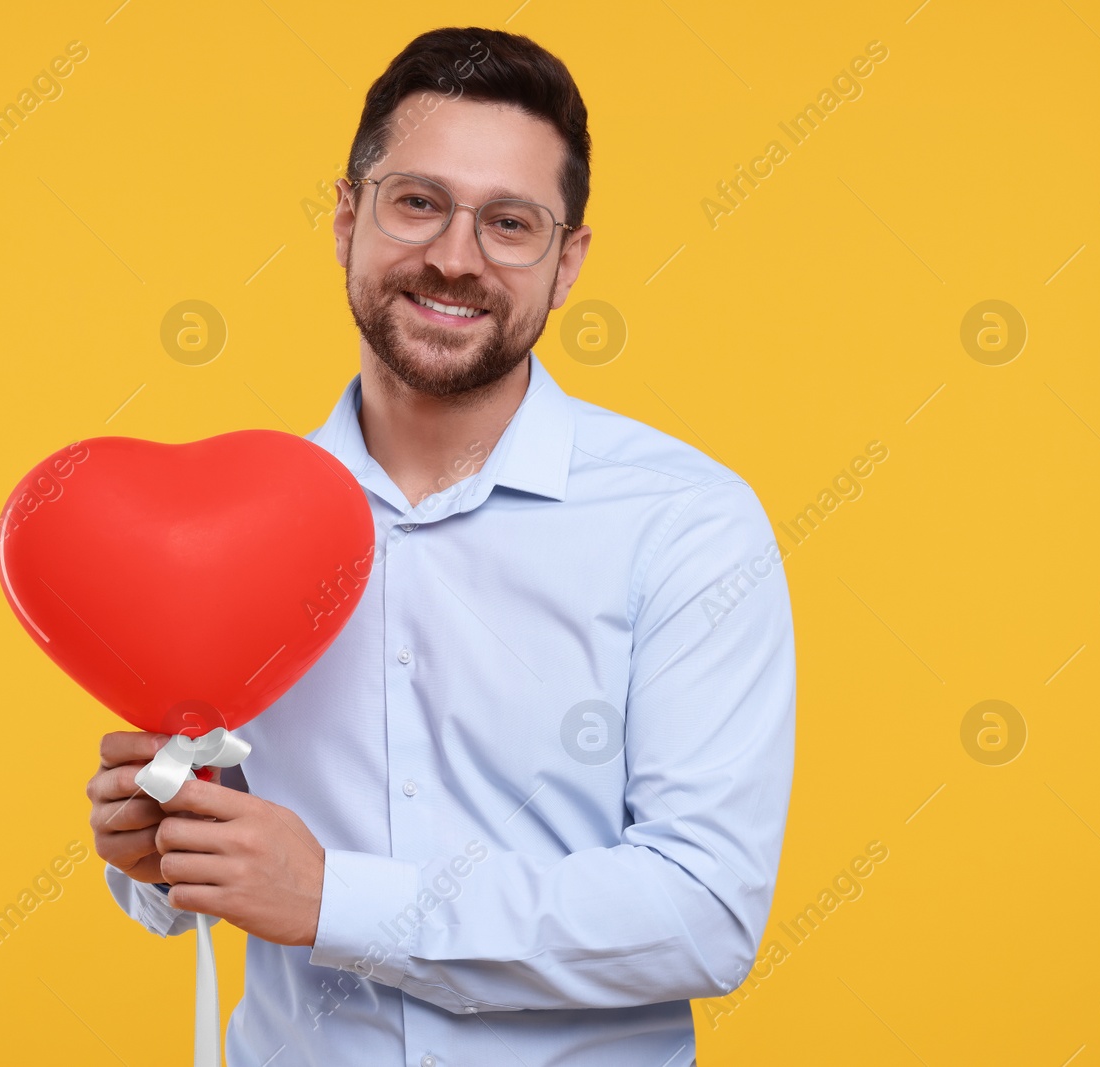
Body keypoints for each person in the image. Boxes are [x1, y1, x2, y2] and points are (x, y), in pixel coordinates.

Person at [84, 25, 795, 1067]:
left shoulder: (685, 521)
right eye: (417, 202)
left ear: (567, 263)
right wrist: (155, 846)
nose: (454, 258)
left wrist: (338, 898)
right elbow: (204, 848)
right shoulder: (238, 524)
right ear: (345, 218)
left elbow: (702, 909)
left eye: (509, 223)